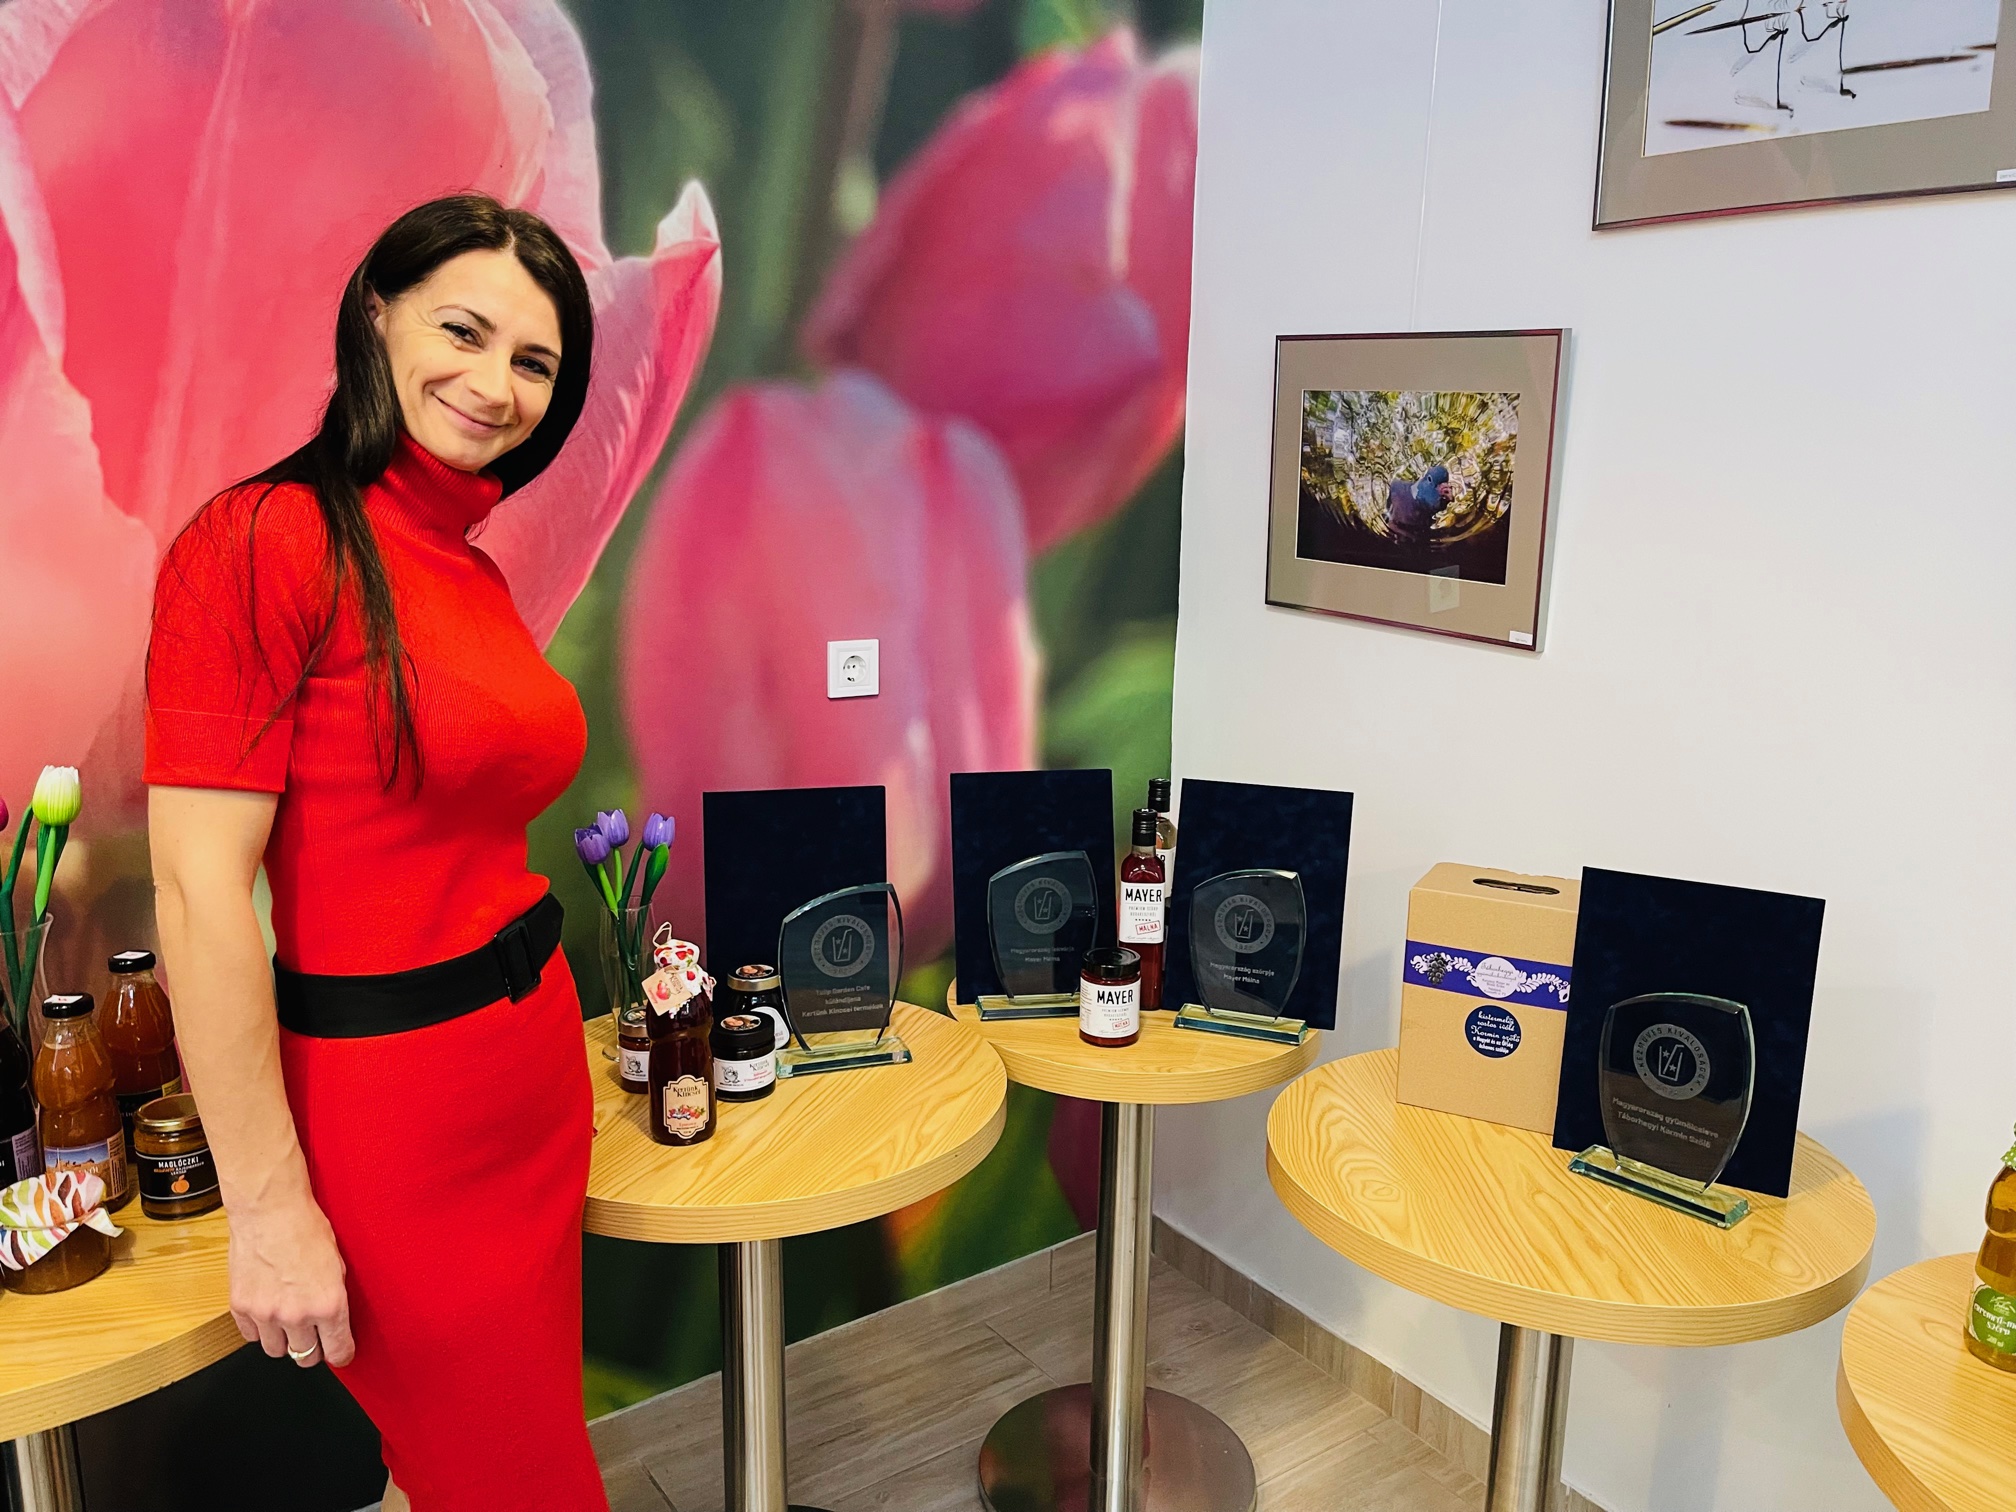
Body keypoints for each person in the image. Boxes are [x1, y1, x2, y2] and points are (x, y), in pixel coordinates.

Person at [145, 196, 604, 1511]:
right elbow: (198, 894)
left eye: (534, 362)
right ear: (375, 314)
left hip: (527, 1082)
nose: (496, 384)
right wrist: (269, 1208)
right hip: (398, 1131)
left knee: (480, 1471)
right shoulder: (259, 542)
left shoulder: (467, 567)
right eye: (464, 330)